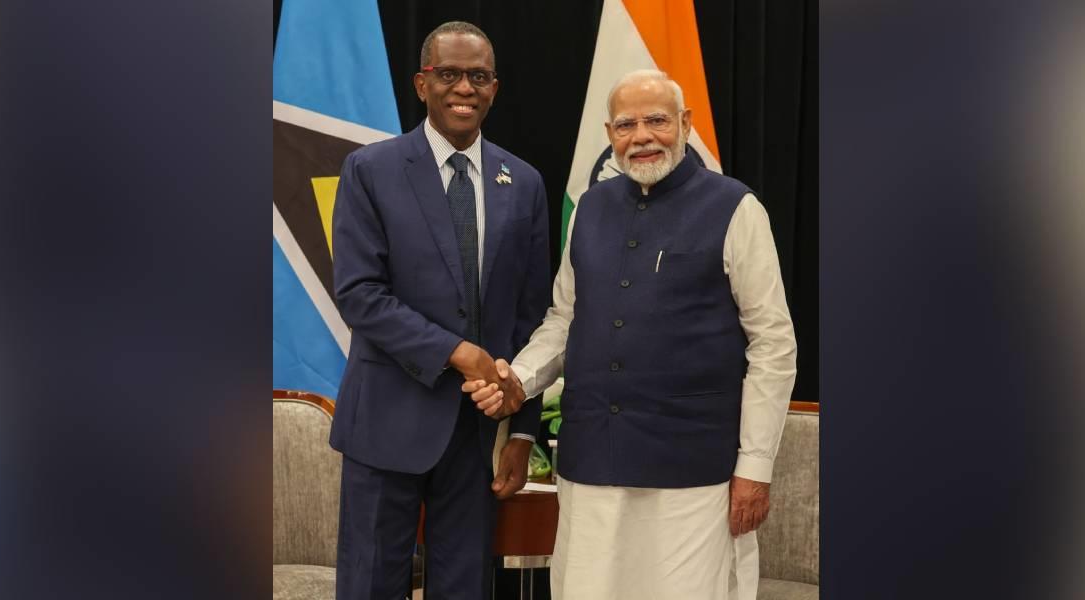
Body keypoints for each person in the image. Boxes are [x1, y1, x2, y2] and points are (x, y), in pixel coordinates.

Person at [466, 69, 798, 599]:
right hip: (590, 463)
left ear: (685, 124)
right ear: (609, 133)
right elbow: (564, 319)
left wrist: (754, 468)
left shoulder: (736, 207)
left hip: (693, 470)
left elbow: (774, 346)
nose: (641, 135)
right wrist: (519, 380)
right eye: (626, 124)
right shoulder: (589, 209)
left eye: (656, 120)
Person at [328, 21, 551, 600]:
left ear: (495, 89)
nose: (464, 88)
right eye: (449, 74)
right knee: (371, 585)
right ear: (421, 83)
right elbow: (359, 294)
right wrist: (458, 352)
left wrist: (522, 434)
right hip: (385, 424)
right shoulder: (369, 170)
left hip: (477, 436)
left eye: (478, 77)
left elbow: (533, 319)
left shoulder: (523, 183)